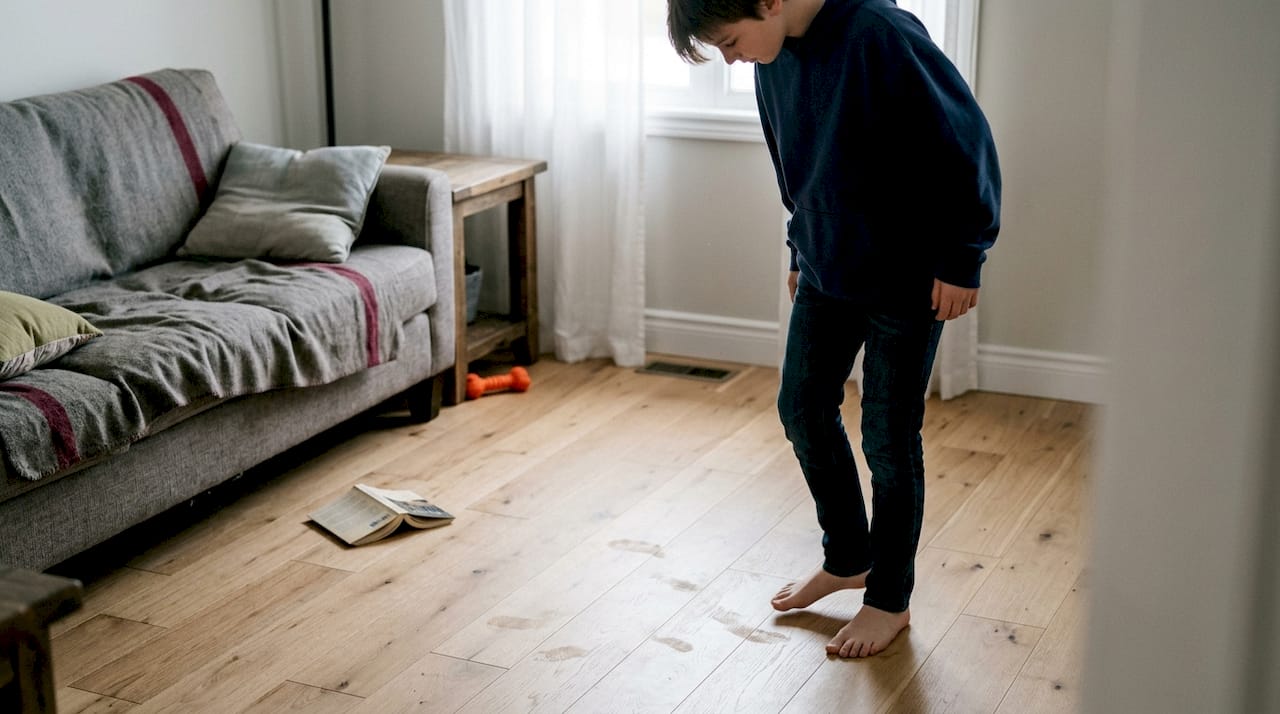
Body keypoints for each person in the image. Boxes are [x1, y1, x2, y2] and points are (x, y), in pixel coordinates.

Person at [667, 0, 1001, 658]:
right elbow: (799, 166)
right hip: (826, 266)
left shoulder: (878, 32)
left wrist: (963, 258)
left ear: (768, 1)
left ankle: (889, 599)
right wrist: (801, 248)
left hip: (908, 277)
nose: (732, 58)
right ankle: (849, 556)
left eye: (731, 41)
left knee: (887, 435)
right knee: (801, 406)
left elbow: (966, 144)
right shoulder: (771, 58)